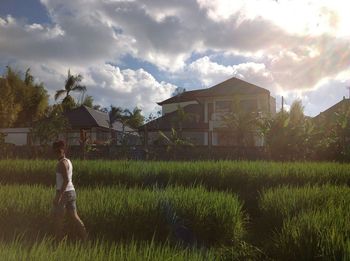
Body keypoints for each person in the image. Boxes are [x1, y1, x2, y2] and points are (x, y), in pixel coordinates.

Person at [52, 140, 87, 240]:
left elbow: (66, 180)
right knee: (75, 217)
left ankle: (59, 241)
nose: (56, 152)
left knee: (58, 218)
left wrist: (59, 196)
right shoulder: (68, 161)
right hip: (72, 192)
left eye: (57, 150)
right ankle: (85, 237)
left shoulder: (61, 163)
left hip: (64, 193)